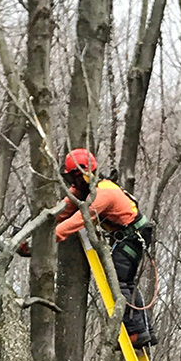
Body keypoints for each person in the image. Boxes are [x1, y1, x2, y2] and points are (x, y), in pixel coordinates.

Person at [55, 148, 158, 350]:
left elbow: (78, 220)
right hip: (129, 236)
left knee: (118, 282)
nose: (73, 184)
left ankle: (135, 331)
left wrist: (51, 238)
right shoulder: (83, 191)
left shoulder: (104, 193)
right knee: (126, 282)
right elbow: (61, 212)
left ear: (84, 172)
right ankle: (145, 330)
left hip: (132, 237)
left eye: (75, 178)